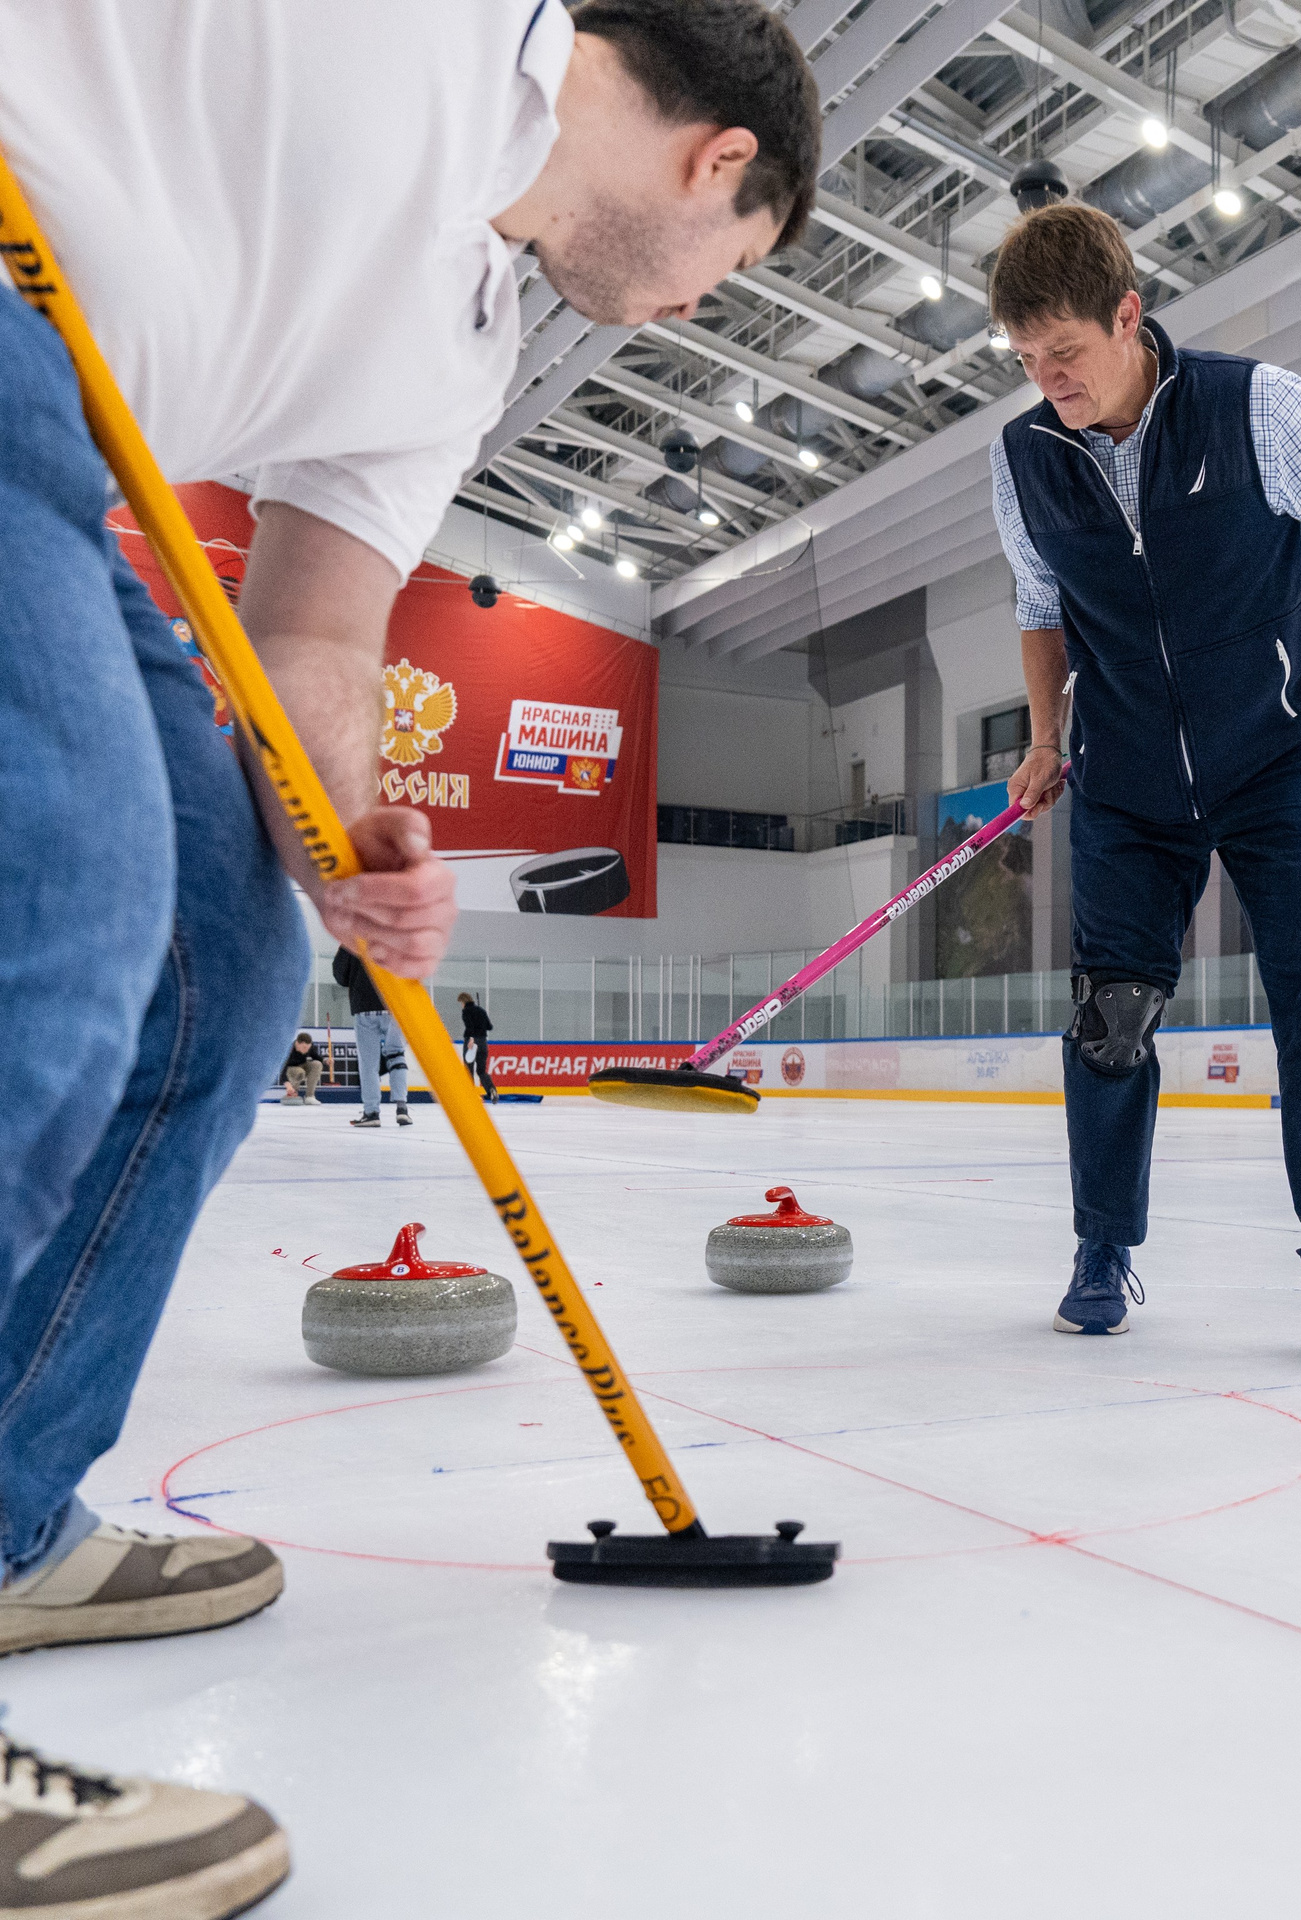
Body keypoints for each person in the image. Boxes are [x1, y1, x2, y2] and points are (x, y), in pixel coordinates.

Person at [0, 3, 817, 1904]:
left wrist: (347, 836)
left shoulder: (463, 340)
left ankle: (9, 1508)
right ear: (717, 166)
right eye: (730, 270)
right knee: (67, 904)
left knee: (220, 966)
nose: (695, 310)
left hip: (63, 446)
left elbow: (313, 640)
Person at [985, 203, 1301, 1351]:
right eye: (1024, 359)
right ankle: (1102, 1248)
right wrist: (1047, 737)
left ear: (1128, 315)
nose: (1047, 380)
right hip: (1125, 780)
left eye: (1063, 351)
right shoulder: (1023, 459)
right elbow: (1039, 602)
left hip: (1273, 757)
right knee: (1111, 1017)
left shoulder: (1253, 408)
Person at [333, 944, 411, 1127]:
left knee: (369, 1064)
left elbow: (340, 975)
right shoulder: (394, 934)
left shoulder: (352, 938)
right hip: (394, 1004)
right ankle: (402, 1109)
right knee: (397, 1054)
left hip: (364, 1006)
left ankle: (372, 1112)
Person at [458, 990, 497, 1102]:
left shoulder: (466, 1011)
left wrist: (471, 1039)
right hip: (483, 1043)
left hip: (471, 1042)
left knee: (468, 1070)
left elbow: (469, 1026)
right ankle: (491, 1090)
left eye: (461, 1003)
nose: (461, 1005)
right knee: (481, 1071)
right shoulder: (481, 1011)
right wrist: (481, 1023)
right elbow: (489, 1027)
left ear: (463, 1002)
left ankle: (470, 1095)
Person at [278, 1031, 325, 1105]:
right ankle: (293, 1092)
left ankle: (309, 1096)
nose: (307, 1050)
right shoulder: (288, 1050)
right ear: (298, 1044)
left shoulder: (309, 1047)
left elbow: (316, 1057)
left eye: (308, 1048)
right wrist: (288, 1086)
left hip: (303, 1066)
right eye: (304, 1048)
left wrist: (326, 1061)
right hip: (291, 1069)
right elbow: (282, 1070)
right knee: (299, 1072)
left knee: (317, 1064)